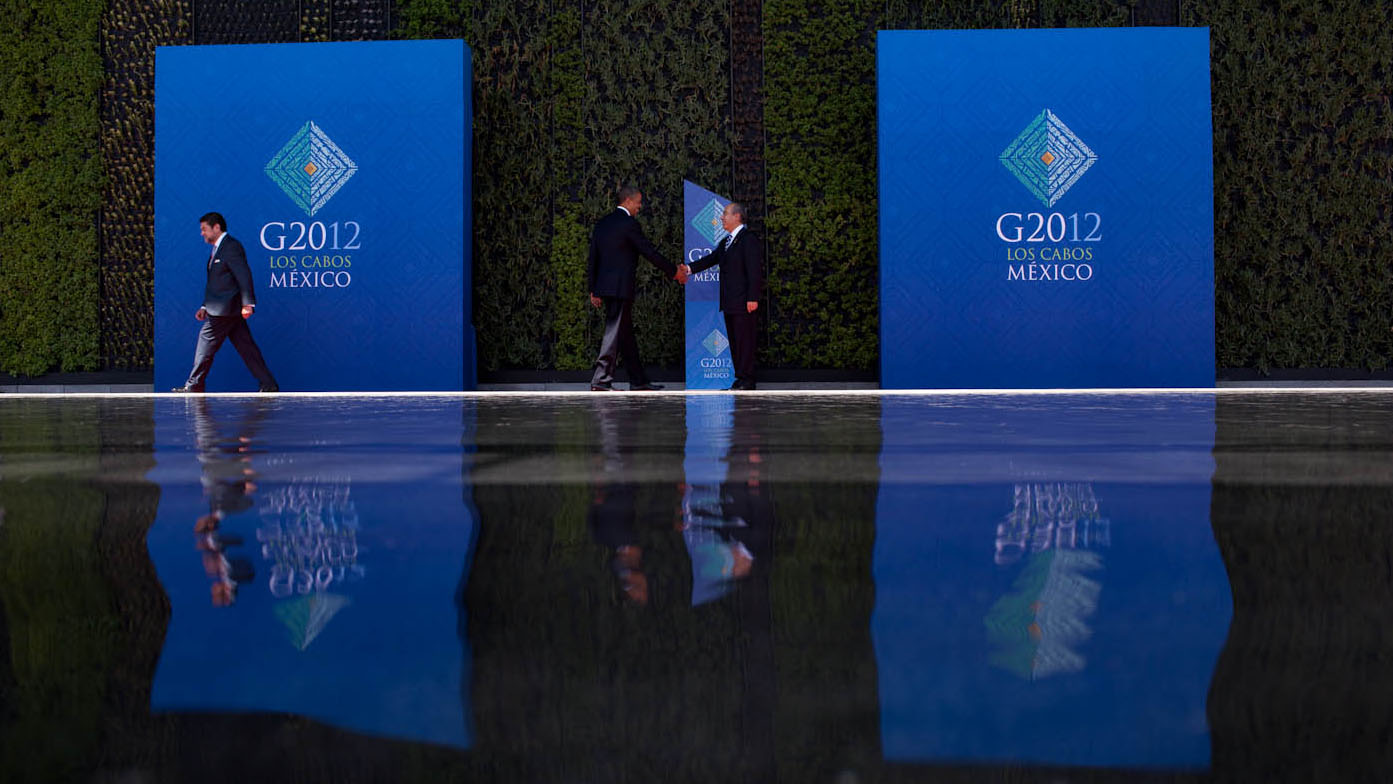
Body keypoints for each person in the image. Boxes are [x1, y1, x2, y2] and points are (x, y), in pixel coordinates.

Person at [588, 186, 688, 391]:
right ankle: (601, 380)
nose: (640, 207)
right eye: (638, 202)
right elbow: (648, 251)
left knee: (625, 334)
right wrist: (674, 271)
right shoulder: (629, 224)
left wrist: (593, 289)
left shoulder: (603, 224)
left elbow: (593, 258)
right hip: (620, 288)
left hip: (606, 288)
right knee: (614, 333)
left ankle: (638, 380)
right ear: (627, 201)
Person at [172, 212, 279, 393]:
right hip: (226, 310)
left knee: (205, 344)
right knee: (247, 348)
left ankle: (194, 385)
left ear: (217, 227)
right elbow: (218, 282)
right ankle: (268, 384)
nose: (202, 233)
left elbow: (243, 275)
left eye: (204, 229)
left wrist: (248, 304)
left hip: (225, 310)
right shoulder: (217, 250)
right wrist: (205, 306)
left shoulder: (231, 247)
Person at [680, 202, 764, 390]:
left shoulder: (747, 239)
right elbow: (712, 258)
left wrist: (753, 297)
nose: (721, 217)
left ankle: (748, 379)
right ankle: (740, 378)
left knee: (745, 341)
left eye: (725, 214)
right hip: (730, 301)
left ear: (737, 217)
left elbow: (755, 271)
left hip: (744, 301)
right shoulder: (726, 241)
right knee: (735, 341)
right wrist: (688, 269)